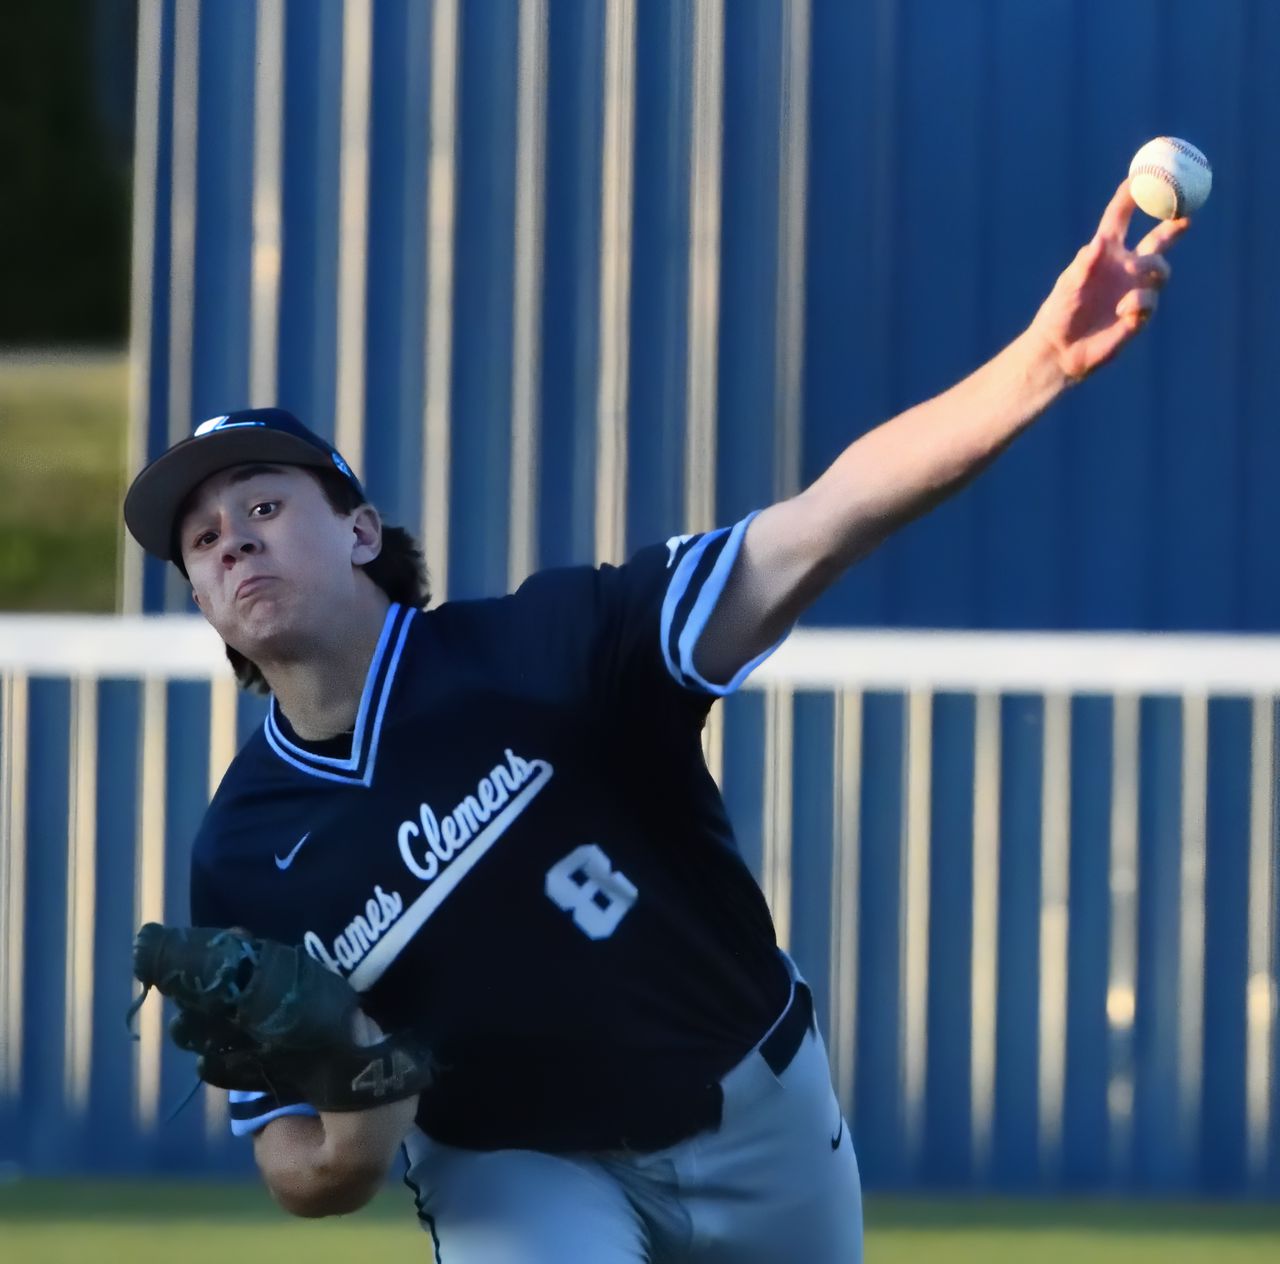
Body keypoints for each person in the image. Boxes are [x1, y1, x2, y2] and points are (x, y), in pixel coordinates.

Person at [122, 181, 1187, 1263]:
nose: (232, 543)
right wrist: (363, 1098)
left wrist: (1037, 365)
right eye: (201, 541)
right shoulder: (246, 853)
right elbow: (301, 1168)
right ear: (202, 598)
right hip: (511, 1164)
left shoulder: (554, 648)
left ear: (358, 532)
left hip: (748, 1104)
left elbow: (820, 522)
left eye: (262, 505)